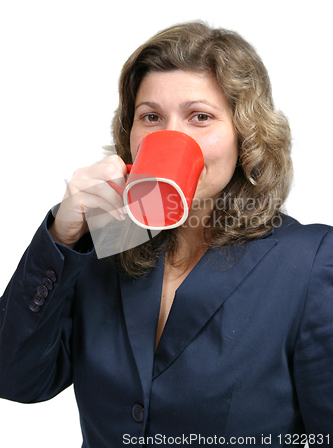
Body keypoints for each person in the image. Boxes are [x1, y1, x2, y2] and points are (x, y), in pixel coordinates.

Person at [0, 22, 332, 447]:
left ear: (246, 138)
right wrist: (63, 237)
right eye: (151, 117)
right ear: (131, 138)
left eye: (200, 117)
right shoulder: (105, 244)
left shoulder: (310, 263)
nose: (171, 135)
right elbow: (16, 378)